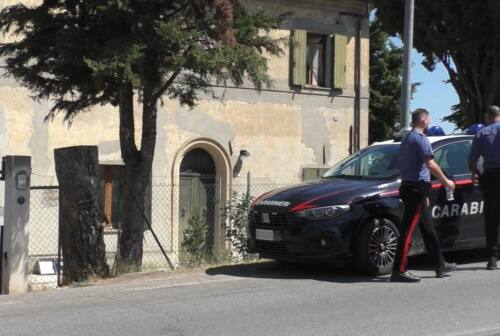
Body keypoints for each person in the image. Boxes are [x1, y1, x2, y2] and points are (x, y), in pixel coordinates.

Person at [391, 108, 457, 282]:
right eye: (428, 120)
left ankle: (440, 264)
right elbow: (430, 163)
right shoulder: (421, 139)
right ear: (423, 121)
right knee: (407, 230)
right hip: (416, 190)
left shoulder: (406, 138)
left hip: (410, 187)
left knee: (428, 228)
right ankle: (399, 270)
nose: (429, 123)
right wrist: (446, 182)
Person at [469, 105, 500, 270]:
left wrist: (476, 173)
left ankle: (492, 259)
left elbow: (472, 160)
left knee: (491, 218)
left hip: (491, 177)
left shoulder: (481, 133)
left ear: (488, 117)